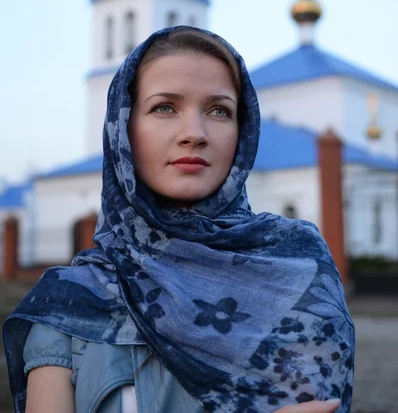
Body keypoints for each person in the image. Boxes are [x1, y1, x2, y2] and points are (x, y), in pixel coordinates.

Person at [4, 27, 355, 413]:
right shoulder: (70, 304)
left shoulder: (299, 269)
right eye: (164, 107)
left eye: (219, 110)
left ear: (244, 132)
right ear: (124, 129)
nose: (194, 133)